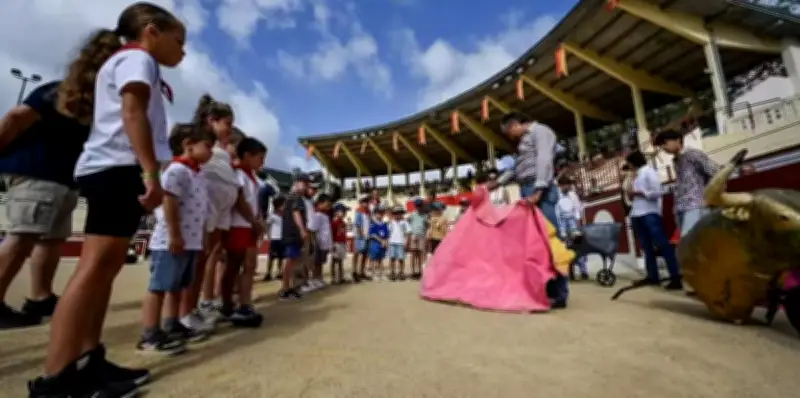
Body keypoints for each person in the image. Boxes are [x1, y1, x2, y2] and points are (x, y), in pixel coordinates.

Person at [29, 4, 185, 396]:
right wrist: (150, 172)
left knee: (105, 270)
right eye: (178, 41)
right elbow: (133, 113)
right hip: (117, 168)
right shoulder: (137, 58)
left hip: (114, 168)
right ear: (152, 31)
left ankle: (87, 360)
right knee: (95, 267)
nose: (183, 52)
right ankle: (56, 377)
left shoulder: (130, 60)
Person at [0, 79, 88, 329]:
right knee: (22, 236)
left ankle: (41, 296)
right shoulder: (62, 89)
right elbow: (18, 116)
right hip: (37, 170)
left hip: (63, 176)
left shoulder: (100, 100)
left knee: (52, 239)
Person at [138, 123, 215, 354]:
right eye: (208, 146)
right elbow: (169, 202)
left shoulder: (197, 174)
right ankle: (150, 334)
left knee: (177, 286)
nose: (211, 152)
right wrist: (174, 234)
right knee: (159, 287)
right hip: (171, 240)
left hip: (190, 241)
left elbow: (199, 210)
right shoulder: (176, 171)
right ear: (188, 145)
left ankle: (172, 325)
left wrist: (201, 238)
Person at [500, 111, 569, 308]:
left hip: (540, 189)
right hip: (529, 188)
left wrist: (539, 189)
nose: (511, 137)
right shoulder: (526, 140)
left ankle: (559, 292)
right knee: (535, 242)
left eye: (509, 132)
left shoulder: (540, 130)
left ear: (514, 125)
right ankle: (545, 291)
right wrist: (496, 182)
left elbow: (545, 159)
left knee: (549, 240)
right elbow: (517, 169)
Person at [185, 94, 238, 329]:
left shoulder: (219, 148)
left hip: (220, 209)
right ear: (211, 120)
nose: (230, 129)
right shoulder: (200, 144)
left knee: (212, 254)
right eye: (227, 123)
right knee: (200, 257)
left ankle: (204, 303)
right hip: (206, 207)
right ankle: (188, 310)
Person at [221, 137, 267, 324]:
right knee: (233, 267)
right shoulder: (238, 174)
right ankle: (226, 304)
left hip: (249, 226)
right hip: (238, 225)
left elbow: (254, 203)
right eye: (260, 158)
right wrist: (253, 220)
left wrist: (258, 221)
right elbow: (239, 200)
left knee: (249, 266)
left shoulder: (252, 177)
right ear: (247, 156)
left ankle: (244, 303)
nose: (262, 163)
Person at [625, 150, 683, 290]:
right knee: (646, 247)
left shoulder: (649, 172)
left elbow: (657, 192)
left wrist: (639, 193)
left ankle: (675, 276)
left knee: (663, 245)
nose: (629, 166)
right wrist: (633, 195)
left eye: (630, 163)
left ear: (634, 162)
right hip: (638, 212)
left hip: (649, 212)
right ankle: (653, 276)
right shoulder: (637, 175)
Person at [655, 130, 719, 237]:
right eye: (661, 145)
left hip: (696, 205)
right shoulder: (676, 160)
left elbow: (716, 172)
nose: (663, 147)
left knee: (689, 241)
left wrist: (709, 198)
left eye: (665, 142)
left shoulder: (693, 154)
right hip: (680, 207)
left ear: (678, 140)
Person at [279, 174, 311, 300]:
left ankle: (289, 287)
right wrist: (302, 230)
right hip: (292, 234)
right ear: (297, 183)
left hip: (292, 234)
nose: (306, 187)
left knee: (293, 261)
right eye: (305, 183)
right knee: (290, 261)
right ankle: (285, 289)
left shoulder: (292, 197)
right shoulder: (296, 197)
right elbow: (296, 213)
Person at [556, 177, 588, 281]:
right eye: (565, 185)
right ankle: (569, 271)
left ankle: (583, 270)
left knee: (578, 246)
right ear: (561, 185)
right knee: (565, 247)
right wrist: (561, 229)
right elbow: (557, 212)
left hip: (573, 222)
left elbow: (577, 209)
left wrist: (577, 224)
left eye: (568, 185)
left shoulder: (573, 195)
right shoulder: (557, 195)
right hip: (562, 223)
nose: (568, 187)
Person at [306, 194, 333, 292]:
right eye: (327, 204)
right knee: (315, 262)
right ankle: (313, 278)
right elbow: (312, 229)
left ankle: (319, 278)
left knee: (320, 262)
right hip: (319, 242)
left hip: (325, 242)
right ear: (320, 204)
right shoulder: (317, 215)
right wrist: (314, 242)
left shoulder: (326, 216)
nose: (329, 207)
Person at [263, 195, 285, 282]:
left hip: (282, 238)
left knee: (281, 257)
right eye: (283, 205)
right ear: (278, 205)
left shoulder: (285, 216)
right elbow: (267, 225)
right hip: (275, 238)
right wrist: (268, 235)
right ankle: (268, 272)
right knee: (271, 257)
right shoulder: (272, 216)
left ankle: (279, 272)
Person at [352, 196, 371, 282]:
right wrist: (361, 235)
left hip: (367, 236)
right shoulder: (359, 211)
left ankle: (362, 272)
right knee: (357, 253)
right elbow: (357, 224)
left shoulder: (368, 212)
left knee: (365, 255)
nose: (366, 203)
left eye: (367, 202)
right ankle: (354, 271)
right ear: (361, 202)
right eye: (364, 202)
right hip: (360, 237)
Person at [387, 206, 410, 281]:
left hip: (401, 242)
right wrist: (388, 242)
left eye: (399, 213)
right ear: (393, 214)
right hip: (392, 242)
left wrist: (406, 241)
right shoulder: (391, 222)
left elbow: (407, 232)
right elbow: (388, 232)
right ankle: (392, 272)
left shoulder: (404, 222)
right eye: (396, 213)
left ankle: (401, 272)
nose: (397, 215)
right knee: (392, 258)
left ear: (402, 214)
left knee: (401, 258)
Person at [368, 206, 389, 281]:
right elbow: (372, 234)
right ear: (375, 214)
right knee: (374, 259)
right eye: (378, 213)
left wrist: (386, 242)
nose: (379, 215)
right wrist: (380, 240)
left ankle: (381, 273)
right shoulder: (373, 223)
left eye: (381, 213)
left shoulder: (384, 224)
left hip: (382, 244)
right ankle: (374, 274)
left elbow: (386, 235)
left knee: (380, 259)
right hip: (375, 243)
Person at [330, 203, 349, 284]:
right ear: (336, 212)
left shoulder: (343, 223)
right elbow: (332, 234)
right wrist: (332, 244)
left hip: (342, 243)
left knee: (340, 260)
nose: (344, 213)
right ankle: (333, 278)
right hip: (336, 243)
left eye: (345, 212)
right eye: (342, 211)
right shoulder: (334, 223)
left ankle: (341, 277)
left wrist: (345, 243)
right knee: (334, 260)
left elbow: (344, 234)